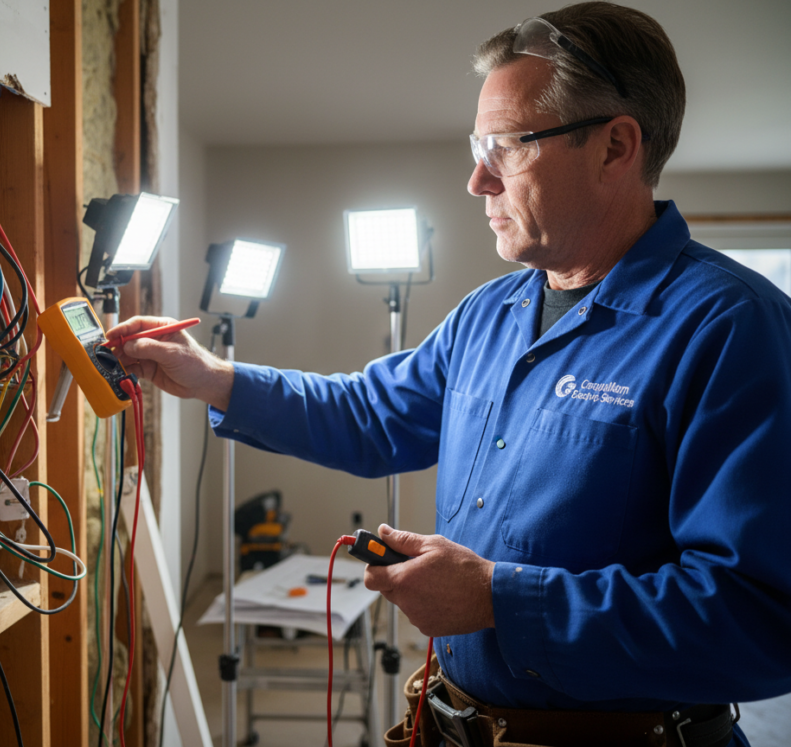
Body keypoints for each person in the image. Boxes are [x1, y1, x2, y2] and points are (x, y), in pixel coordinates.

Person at [110, 3, 791, 745]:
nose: (476, 180)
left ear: (615, 146)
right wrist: (214, 378)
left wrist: (501, 597)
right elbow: (369, 414)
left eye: (506, 146)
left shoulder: (728, 327)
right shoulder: (490, 313)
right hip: (453, 723)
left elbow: (761, 618)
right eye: (479, 145)